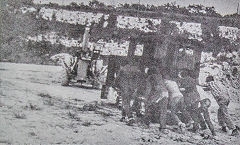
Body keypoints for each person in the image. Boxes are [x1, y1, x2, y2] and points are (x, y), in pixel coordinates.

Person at [143, 67, 169, 132]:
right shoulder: (160, 76)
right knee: (163, 111)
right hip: (165, 93)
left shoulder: (150, 77)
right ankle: (163, 127)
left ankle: (146, 124)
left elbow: (148, 89)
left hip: (158, 93)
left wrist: (146, 98)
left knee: (148, 106)